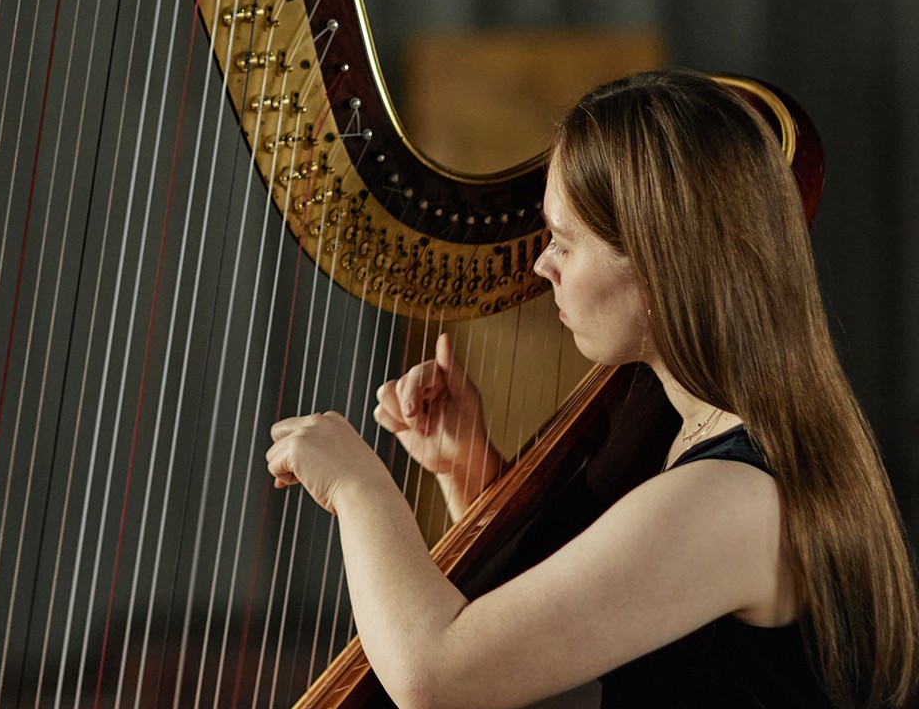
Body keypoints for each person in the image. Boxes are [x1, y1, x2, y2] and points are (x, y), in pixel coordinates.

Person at [263, 69, 918, 708]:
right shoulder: (704, 443)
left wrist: (358, 487)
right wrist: (467, 470)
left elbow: (436, 676)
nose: (542, 265)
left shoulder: (732, 499)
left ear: (661, 261)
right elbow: (552, 648)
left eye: (565, 243)